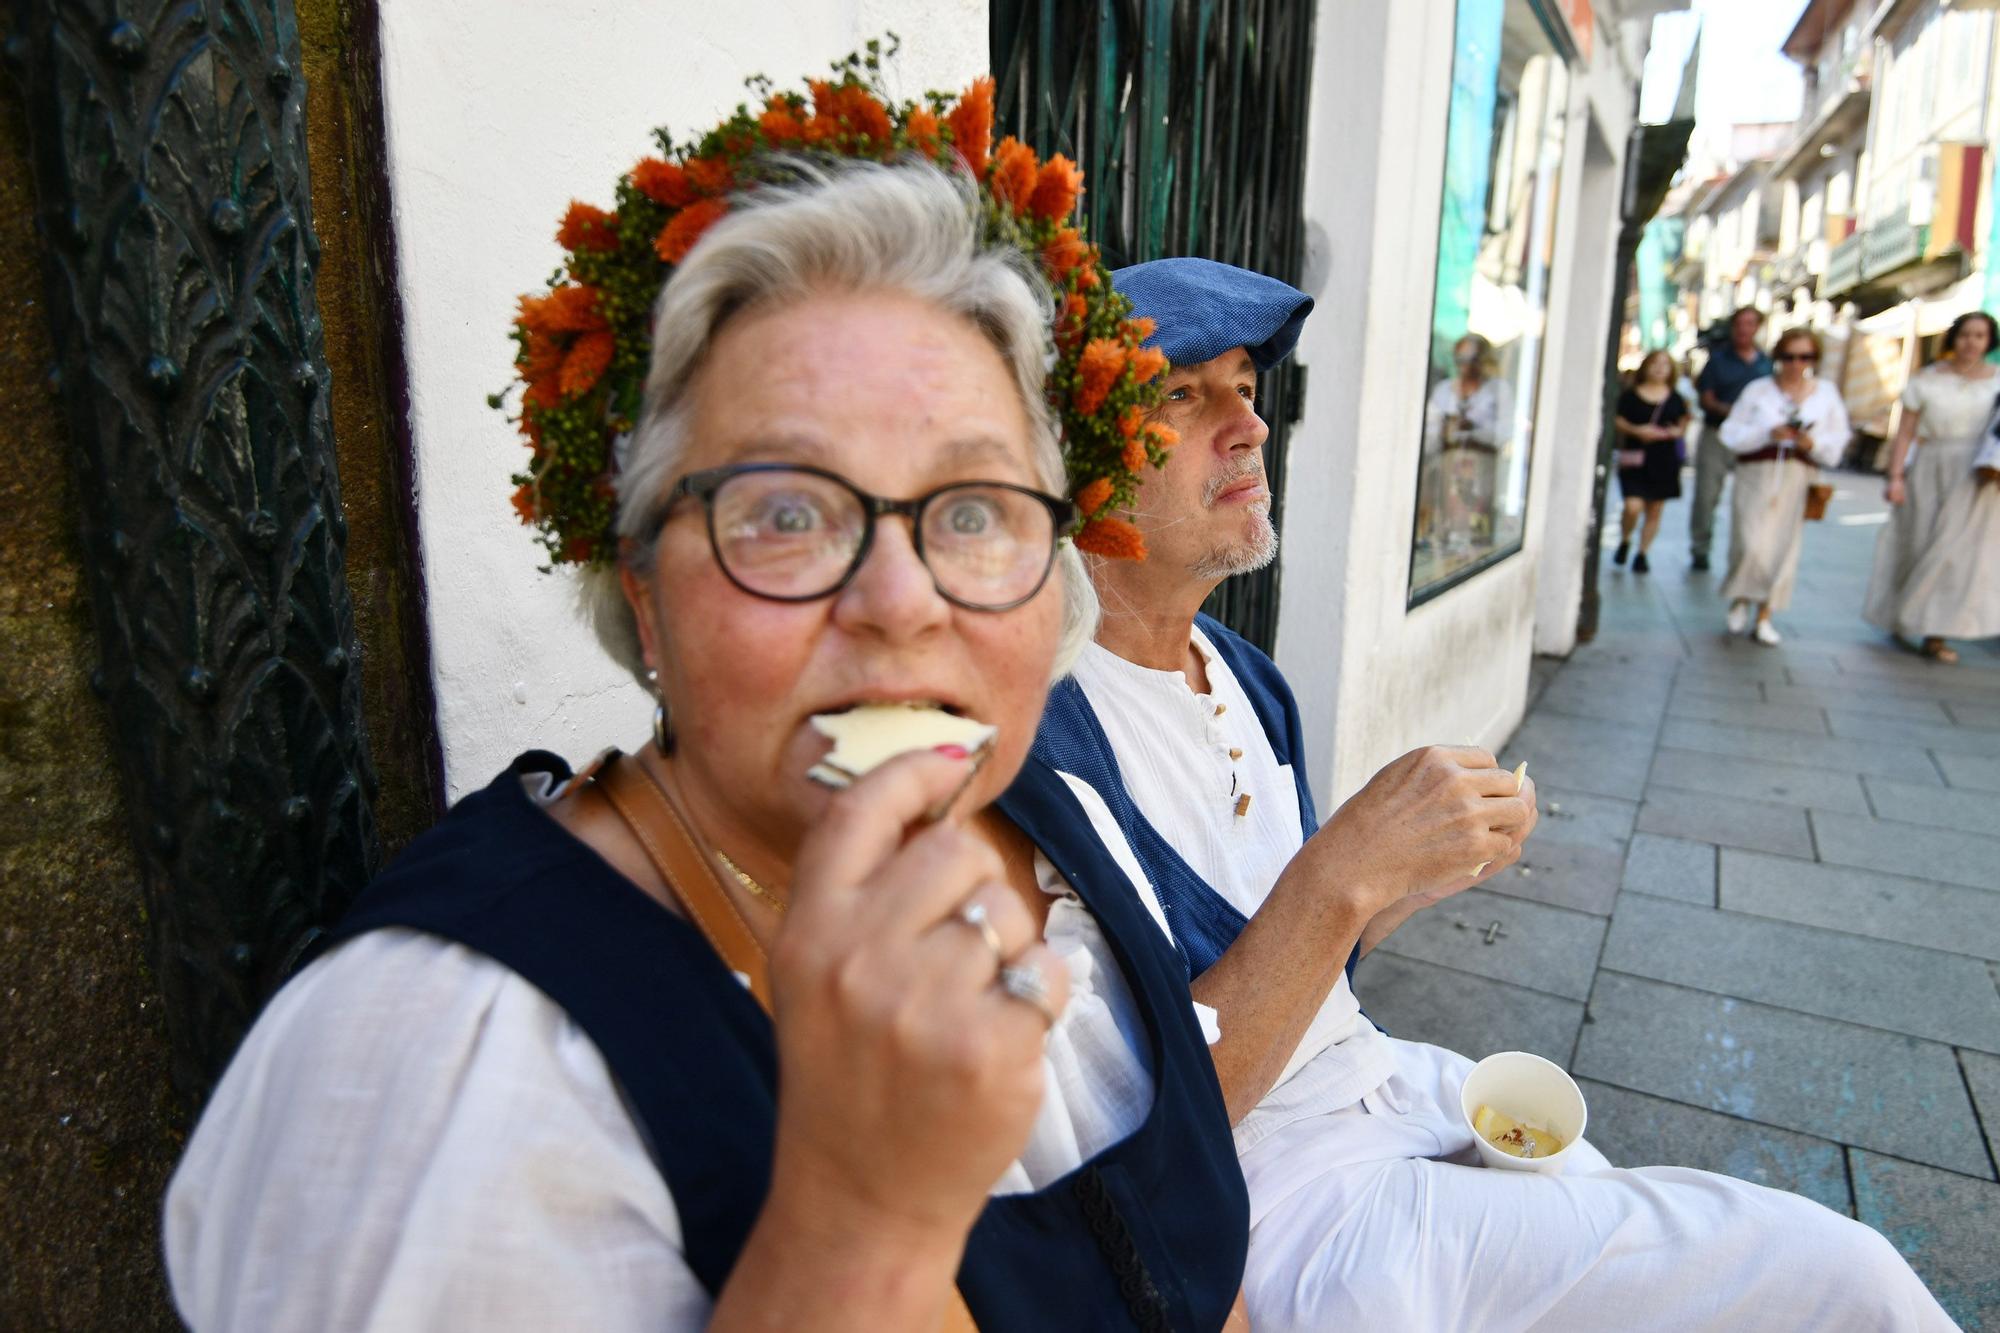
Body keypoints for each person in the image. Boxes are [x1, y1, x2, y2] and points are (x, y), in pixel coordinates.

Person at [162, 155, 1254, 1329]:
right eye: (785, 513)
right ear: (644, 596)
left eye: (977, 508)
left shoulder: (1059, 822)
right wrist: (860, 1220)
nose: (900, 600)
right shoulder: (437, 1074)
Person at [1028, 257, 1955, 1331]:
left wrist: (1407, 877)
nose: (1247, 426)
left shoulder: (1243, 673)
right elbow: (1139, 1148)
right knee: (1846, 1276)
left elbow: (1295, 960)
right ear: (1079, 459)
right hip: (1276, 1193)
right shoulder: (1049, 733)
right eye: (1184, 396)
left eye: (1245, 384)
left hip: (1386, 1085)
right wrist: (1340, 874)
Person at [1863, 310, 2000, 663]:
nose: (1972, 342)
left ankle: (1936, 632)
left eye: (1980, 336)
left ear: (1990, 342)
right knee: (1919, 542)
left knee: (1955, 553)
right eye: (1966, 334)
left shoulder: (1997, 382)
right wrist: (1895, 476)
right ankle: (1903, 614)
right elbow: (1905, 433)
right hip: (1929, 466)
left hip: (1977, 472)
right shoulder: (1927, 379)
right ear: (1954, 338)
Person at [1719, 327, 1853, 645]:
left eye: (1804, 357)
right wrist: (1767, 434)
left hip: (1797, 475)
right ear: (1779, 357)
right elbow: (1730, 432)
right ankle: (1740, 597)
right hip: (1757, 472)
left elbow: (1838, 438)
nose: (1796, 363)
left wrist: (1812, 442)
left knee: (1783, 546)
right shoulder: (1758, 390)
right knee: (1749, 541)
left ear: (1814, 359)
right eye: (1790, 356)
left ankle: (1765, 612)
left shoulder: (1826, 393)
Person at [1690, 307, 1772, 571]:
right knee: (1707, 495)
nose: (1744, 329)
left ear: (1757, 327)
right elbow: (1706, 397)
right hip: (1718, 433)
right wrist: (1734, 413)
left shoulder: (1766, 363)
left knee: (1752, 496)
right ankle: (1700, 547)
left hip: (1752, 438)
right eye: (1740, 323)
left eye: (1750, 324)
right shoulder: (1718, 360)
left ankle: (1747, 551)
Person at [1420, 332, 1516, 557]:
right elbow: (1430, 433)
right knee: (1447, 524)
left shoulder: (1497, 390)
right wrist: (1446, 430)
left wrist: (1472, 430)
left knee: (1477, 530)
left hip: (1481, 473)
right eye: (1460, 359)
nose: (1465, 366)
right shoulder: (1444, 390)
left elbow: (1504, 432)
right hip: (1446, 472)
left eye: (1471, 359)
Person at [1610, 349, 1690, 574]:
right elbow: (1618, 419)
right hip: (1636, 457)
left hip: (1663, 459)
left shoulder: (1676, 398)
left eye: (1664, 364)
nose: (1659, 369)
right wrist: (1637, 430)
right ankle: (1625, 538)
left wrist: (1674, 432)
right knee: (1632, 505)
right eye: (1655, 363)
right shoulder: (1631, 395)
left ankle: (1642, 553)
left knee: (1655, 509)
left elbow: (1683, 423)